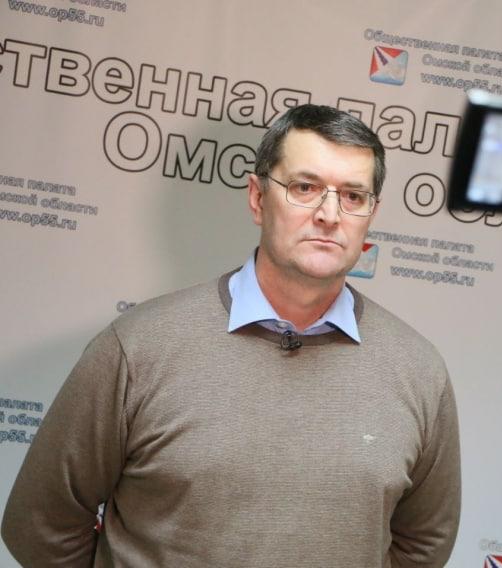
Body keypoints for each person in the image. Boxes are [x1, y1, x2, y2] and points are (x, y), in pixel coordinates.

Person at [1, 105, 461, 567]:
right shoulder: (139, 348)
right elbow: (41, 525)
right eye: (304, 188)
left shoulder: (417, 371)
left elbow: (423, 545)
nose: (329, 214)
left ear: (370, 214)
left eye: (353, 196)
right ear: (258, 198)